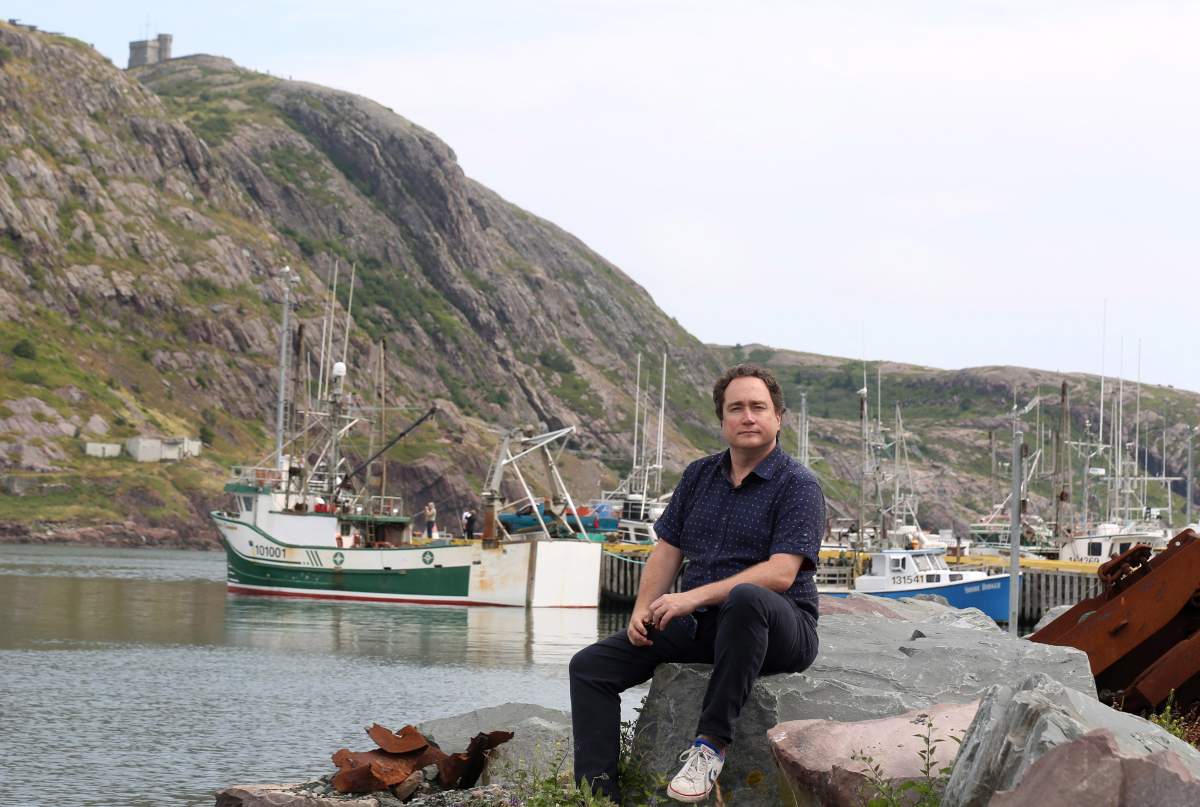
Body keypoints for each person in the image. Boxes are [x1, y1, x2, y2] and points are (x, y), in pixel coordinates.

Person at [569, 365, 825, 803]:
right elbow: (668, 549)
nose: (748, 417)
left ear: (778, 417)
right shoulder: (699, 476)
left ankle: (710, 747)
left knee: (747, 598)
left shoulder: (798, 485)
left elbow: (781, 573)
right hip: (704, 626)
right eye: (736, 408)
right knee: (590, 668)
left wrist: (691, 597)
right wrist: (642, 608)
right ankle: (597, 796)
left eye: (758, 407)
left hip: (780, 629)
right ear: (722, 420)